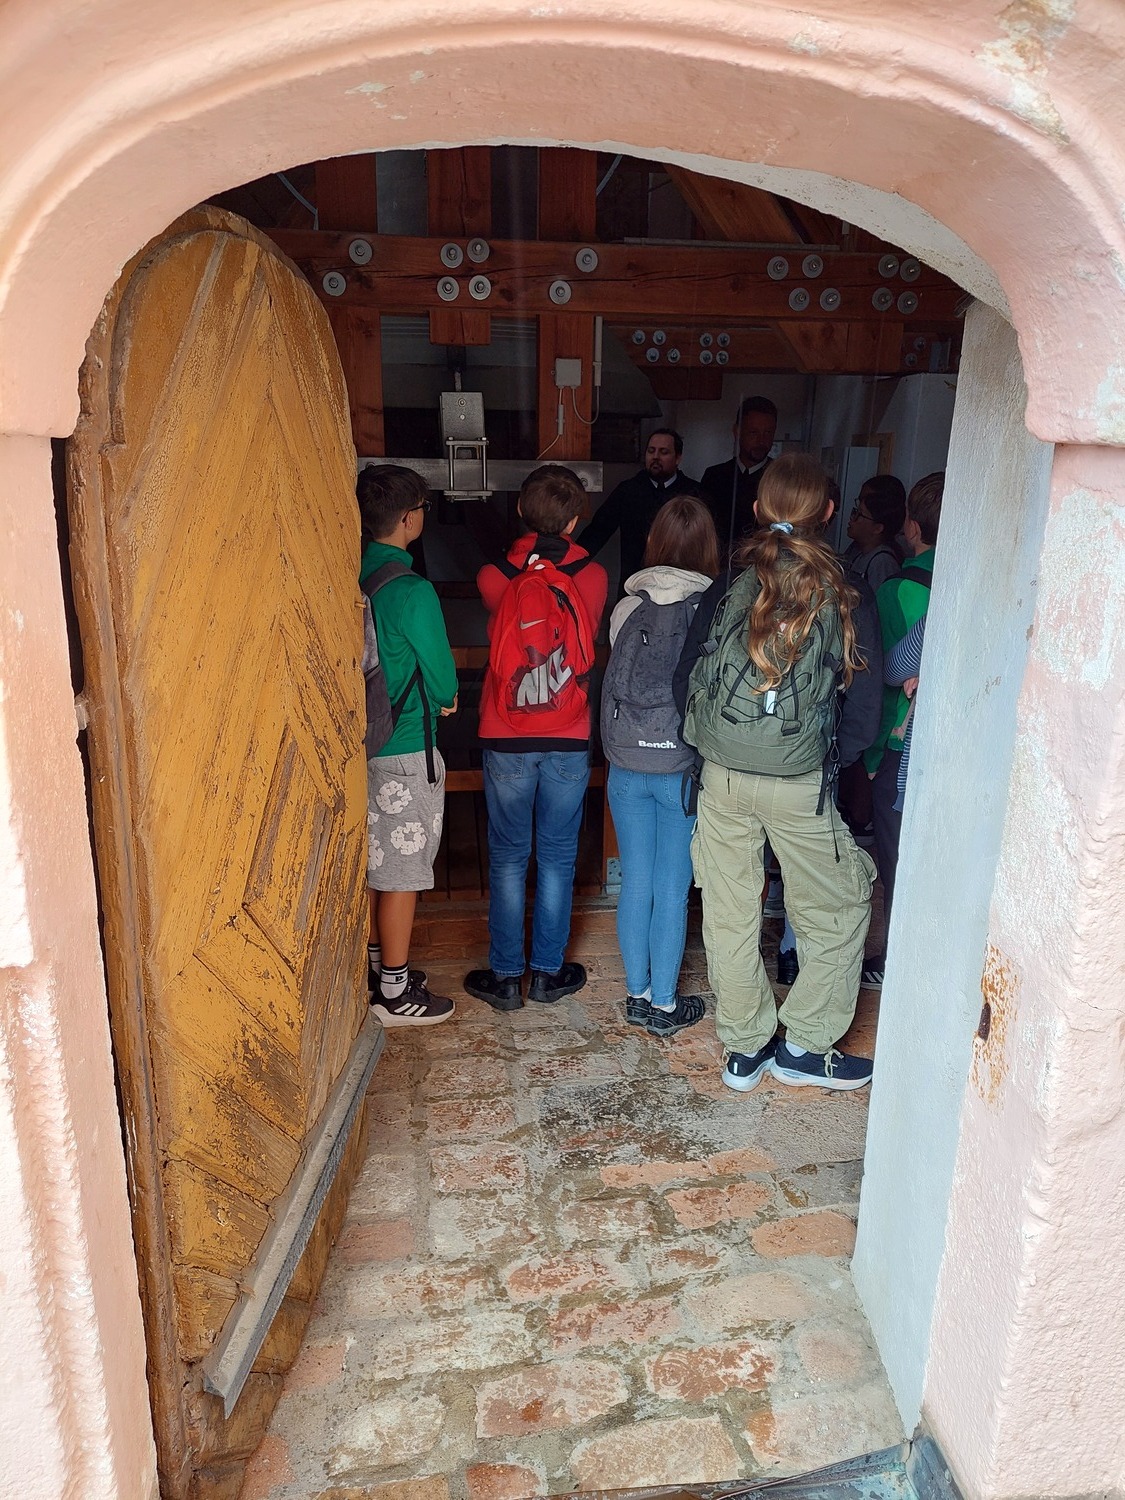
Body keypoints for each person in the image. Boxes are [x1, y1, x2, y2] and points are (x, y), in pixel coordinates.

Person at [674, 453, 882, 1093]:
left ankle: (745, 1048)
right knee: (838, 907)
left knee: (729, 913)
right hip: (800, 785)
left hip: (722, 779)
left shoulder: (729, 584)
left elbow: (686, 680)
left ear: (760, 508)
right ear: (829, 512)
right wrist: (828, 762)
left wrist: (718, 749)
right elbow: (863, 709)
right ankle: (806, 1046)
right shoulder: (846, 591)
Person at [465, 465, 608, 1011]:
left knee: (507, 856)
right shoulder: (593, 576)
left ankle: (506, 977)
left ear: (522, 511)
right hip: (568, 730)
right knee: (557, 854)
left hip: (506, 731)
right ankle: (548, 973)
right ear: (576, 519)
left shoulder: (493, 576)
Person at [602, 495, 720, 1038]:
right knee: (673, 888)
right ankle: (666, 1006)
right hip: (680, 767)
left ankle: (637, 994)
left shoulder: (626, 609)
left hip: (626, 763)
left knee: (636, 882)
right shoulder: (711, 610)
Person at [359, 464, 459, 1026]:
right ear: (407, 519)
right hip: (405, 746)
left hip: (364, 744)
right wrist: (446, 699)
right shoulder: (412, 590)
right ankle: (395, 996)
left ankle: (381, 970)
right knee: (402, 873)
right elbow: (441, 678)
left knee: (378, 865)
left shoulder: (354, 574)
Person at [861, 471, 944, 989]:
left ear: (912, 525)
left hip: (900, 743)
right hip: (954, 745)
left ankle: (896, 958)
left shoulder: (896, 590)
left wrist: (869, 757)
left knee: (896, 856)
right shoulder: (976, 581)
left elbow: (885, 675)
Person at [578, 428, 702, 596]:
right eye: (651, 451)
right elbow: (598, 531)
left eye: (663, 452)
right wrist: (571, 562)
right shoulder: (628, 490)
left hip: (681, 587)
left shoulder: (693, 492)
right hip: (634, 585)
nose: (655, 457)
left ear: (678, 458)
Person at [700, 396, 778, 561]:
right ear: (737, 432)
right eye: (753, 432)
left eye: (768, 433)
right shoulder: (714, 476)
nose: (761, 441)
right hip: (716, 564)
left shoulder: (780, 478)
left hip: (764, 564)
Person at [842, 474, 906, 593]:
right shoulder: (857, 551)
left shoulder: (882, 562)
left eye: (860, 515)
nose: (852, 519)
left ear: (877, 528)